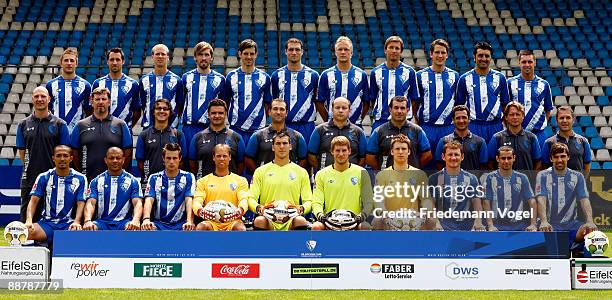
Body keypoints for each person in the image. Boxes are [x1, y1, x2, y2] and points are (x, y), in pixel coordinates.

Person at [16, 86, 70, 222]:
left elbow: (65, 153)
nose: (40, 99)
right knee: (27, 223)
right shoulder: (23, 124)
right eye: (36, 96)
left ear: (49, 99)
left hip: (54, 180)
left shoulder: (60, 124)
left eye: (43, 96)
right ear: (32, 99)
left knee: (53, 221)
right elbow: (22, 153)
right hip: (29, 180)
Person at [535, 143, 597, 254]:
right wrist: (544, 221)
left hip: (571, 224)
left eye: (563, 156)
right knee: (534, 235)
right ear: (551, 159)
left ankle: (584, 266)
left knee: (592, 234)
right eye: (556, 157)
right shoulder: (543, 175)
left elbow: (584, 200)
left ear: (568, 157)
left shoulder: (577, 176)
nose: (559, 160)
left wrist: (589, 221)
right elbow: (541, 199)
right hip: (550, 225)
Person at [249, 132, 312, 230]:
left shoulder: (301, 172)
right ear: (273, 147)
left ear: (290, 146)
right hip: (268, 217)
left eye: (285, 143)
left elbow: (308, 201)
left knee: (301, 221)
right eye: (278, 143)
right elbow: (251, 198)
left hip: (291, 218)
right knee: (259, 221)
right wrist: (260, 208)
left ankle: (297, 246)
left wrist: (300, 209)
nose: (281, 147)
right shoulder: (260, 171)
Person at [24, 145, 87, 243]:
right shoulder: (44, 177)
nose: (62, 159)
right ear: (53, 158)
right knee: (24, 233)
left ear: (71, 158)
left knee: (83, 238)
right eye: (58, 156)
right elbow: (33, 201)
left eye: (65, 156)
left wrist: (77, 221)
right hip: (46, 224)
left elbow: (81, 203)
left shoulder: (80, 178)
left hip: (68, 224)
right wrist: (28, 220)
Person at [373, 135, 435, 230]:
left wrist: (424, 212)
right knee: (377, 220)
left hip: (413, 221)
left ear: (409, 151)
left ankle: (428, 244)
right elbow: (378, 200)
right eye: (397, 149)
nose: (401, 152)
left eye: (404, 149)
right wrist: (384, 213)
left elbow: (426, 199)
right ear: (392, 152)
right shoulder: (382, 175)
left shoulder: (419, 174)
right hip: (389, 220)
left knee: (432, 220)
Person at [70, 87, 132, 181]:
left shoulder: (120, 125)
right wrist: (82, 174)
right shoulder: (80, 125)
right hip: (88, 180)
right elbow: (74, 153)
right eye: (97, 99)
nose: (100, 102)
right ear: (91, 101)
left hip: (114, 179)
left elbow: (128, 153)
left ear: (109, 102)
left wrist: (119, 173)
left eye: (104, 99)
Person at [311, 136, 373, 230]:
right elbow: (316, 202)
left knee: (365, 227)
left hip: (354, 221)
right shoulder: (321, 174)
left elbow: (369, 202)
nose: (341, 154)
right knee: (316, 227)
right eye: (337, 150)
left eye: (344, 150)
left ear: (349, 151)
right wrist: (320, 215)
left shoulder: (362, 172)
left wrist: (361, 216)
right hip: (329, 221)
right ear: (332, 152)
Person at [456, 41, 510, 142]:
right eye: (480, 55)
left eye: (487, 56)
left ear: (491, 58)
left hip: (495, 126)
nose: (484, 59)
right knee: (473, 157)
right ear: (474, 57)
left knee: (495, 156)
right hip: (473, 125)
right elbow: (459, 105)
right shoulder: (464, 78)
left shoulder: (500, 78)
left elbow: (505, 105)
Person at [414, 39, 459, 158]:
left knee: (447, 161)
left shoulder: (455, 76)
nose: (440, 56)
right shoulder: (420, 76)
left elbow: (458, 102)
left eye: (443, 53)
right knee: (426, 161)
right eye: (437, 52)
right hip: (427, 127)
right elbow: (415, 102)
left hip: (448, 127)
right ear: (431, 54)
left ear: (447, 55)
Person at [271, 38, 319, 144]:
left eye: (297, 50)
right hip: (284, 125)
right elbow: (276, 99)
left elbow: (317, 101)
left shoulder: (313, 75)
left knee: (307, 158)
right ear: (285, 51)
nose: (294, 52)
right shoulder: (276, 75)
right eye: (291, 49)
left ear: (302, 52)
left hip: (307, 126)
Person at [428, 141, 485, 231]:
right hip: (442, 227)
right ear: (443, 157)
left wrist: (478, 222)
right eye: (450, 154)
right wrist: (436, 223)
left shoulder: (471, 178)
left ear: (462, 157)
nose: (453, 158)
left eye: (456, 154)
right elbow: (431, 204)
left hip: (466, 226)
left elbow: (476, 202)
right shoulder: (434, 178)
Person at [82, 147, 143, 231]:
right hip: (101, 223)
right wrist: (87, 220)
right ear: (105, 160)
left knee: (133, 228)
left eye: (118, 158)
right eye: (111, 158)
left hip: (124, 223)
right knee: (89, 228)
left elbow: (137, 203)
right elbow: (91, 203)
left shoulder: (133, 181)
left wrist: (136, 220)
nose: (115, 161)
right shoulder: (96, 181)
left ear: (123, 160)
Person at [193, 144, 250, 231]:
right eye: (218, 156)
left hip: (233, 220)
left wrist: (239, 211)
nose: (221, 159)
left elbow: (244, 199)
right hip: (211, 221)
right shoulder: (203, 181)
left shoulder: (240, 180)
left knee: (240, 228)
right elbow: (197, 200)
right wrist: (201, 211)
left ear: (230, 157)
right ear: (213, 158)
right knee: (201, 227)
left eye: (224, 156)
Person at [225, 39, 272, 143]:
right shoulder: (231, 76)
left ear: (256, 55)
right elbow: (226, 102)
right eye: (246, 53)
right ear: (240, 54)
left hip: (258, 129)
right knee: (237, 159)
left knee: (256, 159)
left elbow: (267, 103)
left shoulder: (265, 77)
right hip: (235, 129)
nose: (249, 57)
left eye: (252, 53)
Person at [141, 143, 196, 231]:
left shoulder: (188, 177)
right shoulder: (154, 178)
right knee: (145, 228)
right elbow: (149, 200)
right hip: (158, 224)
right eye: (168, 158)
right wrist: (146, 219)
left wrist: (190, 221)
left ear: (180, 159)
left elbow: (189, 200)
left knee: (191, 229)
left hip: (181, 224)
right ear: (163, 158)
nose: (171, 162)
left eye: (174, 158)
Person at [366, 96, 431, 170]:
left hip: (411, 178)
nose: (399, 111)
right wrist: (381, 171)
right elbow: (370, 158)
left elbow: (427, 155)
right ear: (390, 110)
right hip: (388, 177)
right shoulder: (379, 131)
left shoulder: (417, 130)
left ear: (407, 110)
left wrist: (415, 167)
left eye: (402, 108)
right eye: (396, 108)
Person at [481, 146, 537, 231]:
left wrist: (533, 224)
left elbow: (532, 201)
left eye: (509, 158)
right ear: (497, 159)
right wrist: (490, 225)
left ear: (514, 158)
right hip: (496, 226)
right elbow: (486, 202)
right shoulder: (490, 177)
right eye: (503, 158)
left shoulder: (522, 178)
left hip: (518, 226)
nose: (506, 161)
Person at [317, 36, 369, 126]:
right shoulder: (326, 75)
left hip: (355, 125)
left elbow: (367, 102)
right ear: (335, 52)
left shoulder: (361, 75)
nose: (343, 52)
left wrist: (358, 118)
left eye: (346, 49)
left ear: (351, 52)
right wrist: (329, 119)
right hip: (332, 126)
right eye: (340, 49)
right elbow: (319, 102)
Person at [369, 36, 419, 130]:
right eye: (391, 47)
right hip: (381, 121)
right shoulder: (375, 72)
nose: (394, 50)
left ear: (401, 51)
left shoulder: (410, 72)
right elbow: (373, 98)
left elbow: (414, 99)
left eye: (397, 48)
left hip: (403, 123)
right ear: (385, 50)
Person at [245, 98, 307, 173]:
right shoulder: (258, 136)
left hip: (290, 181)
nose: (278, 112)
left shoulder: (297, 136)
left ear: (286, 113)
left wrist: (295, 174)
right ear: (269, 112)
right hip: (266, 181)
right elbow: (248, 159)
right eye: (275, 109)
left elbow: (304, 159)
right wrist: (260, 175)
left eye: (282, 109)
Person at [181, 41, 226, 145]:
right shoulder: (186, 77)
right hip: (189, 128)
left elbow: (224, 103)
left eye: (206, 54)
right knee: (189, 160)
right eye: (200, 54)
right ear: (195, 57)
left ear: (212, 57)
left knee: (210, 160)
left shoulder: (220, 79)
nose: (204, 58)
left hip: (211, 128)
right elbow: (181, 102)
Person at [136, 98, 187, 188]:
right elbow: (140, 163)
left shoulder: (178, 135)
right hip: (150, 184)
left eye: (165, 109)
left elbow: (182, 161)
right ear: (153, 112)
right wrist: (149, 178)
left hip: (172, 183)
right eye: (158, 108)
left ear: (170, 112)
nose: (162, 111)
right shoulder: (144, 135)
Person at [507, 50, 553, 148]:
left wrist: (538, 124)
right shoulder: (510, 83)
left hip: (538, 134)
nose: (527, 65)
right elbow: (505, 109)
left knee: (540, 162)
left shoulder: (544, 84)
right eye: (524, 62)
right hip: (516, 134)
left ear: (534, 63)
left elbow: (548, 110)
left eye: (530, 62)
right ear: (519, 63)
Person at [189, 99, 244, 179]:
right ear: (208, 115)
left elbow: (241, 164)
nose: (217, 116)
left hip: (230, 186)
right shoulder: (198, 137)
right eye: (213, 113)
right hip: (205, 186)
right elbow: (192, 164)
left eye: (221, 113)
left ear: (226, 114)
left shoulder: (236, 137)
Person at [308, 97, 367, 171]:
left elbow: (363, 158)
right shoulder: (320, 130)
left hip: (351, 178)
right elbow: (311, 156)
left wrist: (353, 171)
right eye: (337, 108)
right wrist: (323, 170)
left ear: (349, 110)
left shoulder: (358, 131)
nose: (340, 111)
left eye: (344, 108)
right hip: (327, 176)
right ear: (332, 110)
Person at [91, 47, 141, 128]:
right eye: (112, 59)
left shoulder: (133, 84)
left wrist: (128, 127)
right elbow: (92, 108)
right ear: (107, 62)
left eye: (117, 59)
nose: (114, 62)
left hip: (124, 130)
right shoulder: (98, 83)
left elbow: (137, 111)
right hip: (102, 130)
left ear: (123, 61)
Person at [46, 48, 91, 131]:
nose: (69, 63)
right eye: (66, 60)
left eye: (72, 60)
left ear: (76, 63)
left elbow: (88, 111)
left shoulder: (85, 85)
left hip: (77, 132)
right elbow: (48, 110)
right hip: (56, 132)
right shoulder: (51, 85)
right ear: (61, 63)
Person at [487, 101, 541, 171]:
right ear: (506, 117)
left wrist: (532, 179)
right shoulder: (497, 138)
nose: (515, 117)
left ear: (523, 116)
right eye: (512, 114)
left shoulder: (532, 138)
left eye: (518, 114)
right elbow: (490, 163)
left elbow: (538, 162)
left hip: (526, 181)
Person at [139, 43, 183, 128]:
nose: (160, 56)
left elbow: (180, 105)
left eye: (163, 54)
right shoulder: (144, 80)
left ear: (168, 57)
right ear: (152, 57)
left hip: (171, 128)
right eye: (157, 54)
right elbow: (144, 105)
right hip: (149, 128)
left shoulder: (177, 80)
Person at [541, 106, 591, 177]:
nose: (564, 121)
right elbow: (544, 168)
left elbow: (587, 167)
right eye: (561, 118)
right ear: (556, 120)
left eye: (568, 117)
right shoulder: (549, 143)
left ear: (573, 120)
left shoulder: (583, 141)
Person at [435, 105, 488, 171]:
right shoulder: (443, 141)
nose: (461, 121)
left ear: (469, 119)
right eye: (458, 118)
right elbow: (439, 165)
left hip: (473, 180)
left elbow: (484, 167)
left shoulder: (480, 142)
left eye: (464, 117)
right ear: (453, 120)